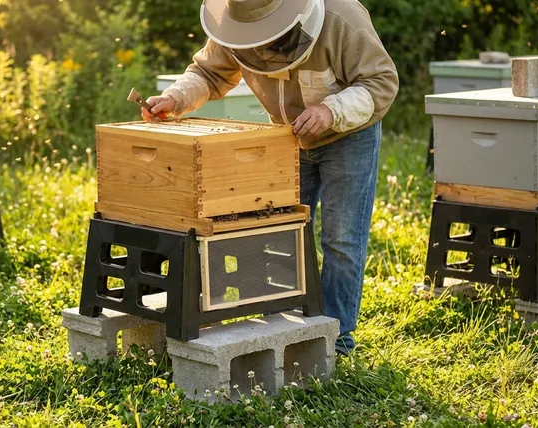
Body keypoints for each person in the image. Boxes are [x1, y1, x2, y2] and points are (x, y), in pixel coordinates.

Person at [143, 0, 399, 356]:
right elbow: (208, 73)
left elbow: (381, 81)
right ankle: (286, 323)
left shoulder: (343, 18)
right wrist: (174, 98)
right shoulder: (233, 26)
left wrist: (331, 110)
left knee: (341, 239)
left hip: (348, 136)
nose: (260, 50)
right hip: (286, 137)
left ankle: (337, 334)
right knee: (279, 232)